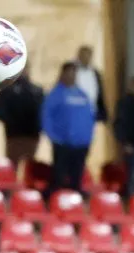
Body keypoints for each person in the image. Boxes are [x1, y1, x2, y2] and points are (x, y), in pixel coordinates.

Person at [42, 62, 96, 194]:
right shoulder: (56, 94)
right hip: (63, 143)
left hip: (81, 144)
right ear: (63, 74)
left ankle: (75, 202)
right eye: (69, 72)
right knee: (59, 177)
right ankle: (56, 201)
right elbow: (46, 116)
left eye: (74, 73)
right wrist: (53, 136)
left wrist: (88, 137)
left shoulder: (83, 95)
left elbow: (89, 117)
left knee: (76, 176)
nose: (72, 75)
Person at [0, 65, 44, 173]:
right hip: (13, 135)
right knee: (12, 165)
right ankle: (12, 188)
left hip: (32, 135)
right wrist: (11, 121)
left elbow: (43, 112)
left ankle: (28, 189)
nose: (22, 72)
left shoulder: (37, 91)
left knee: (29, 167)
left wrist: (38, 126)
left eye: (25, 68)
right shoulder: (6, 91)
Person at [74, 45, 108, 124]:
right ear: (79, 56)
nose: (86, 58)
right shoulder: (73, 72)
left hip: (91, 111)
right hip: (76, 111)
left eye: (88, 56)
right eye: (84, 56)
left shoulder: (95, 73)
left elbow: (99, 93)